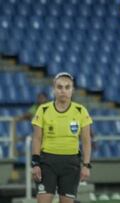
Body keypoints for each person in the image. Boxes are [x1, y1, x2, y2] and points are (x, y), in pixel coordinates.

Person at [31, 72, 93, 203]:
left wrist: (86, 165)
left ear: (72, 90)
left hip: (71, 164)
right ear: (54, 89)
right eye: (59, 87)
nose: (63, 91)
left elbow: (86, 141)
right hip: (47, 162)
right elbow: (36, 138)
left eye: (67, 87)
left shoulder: (81, 111)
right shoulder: (43, 110)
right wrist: (35, 163)